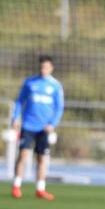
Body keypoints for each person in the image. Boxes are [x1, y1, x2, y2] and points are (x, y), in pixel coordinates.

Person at [11, 55, 64, 200]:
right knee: (23, 155)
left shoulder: (55, 86)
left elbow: (59, 108)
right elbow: (20, 101)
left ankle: (40, 188)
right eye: (41, 67)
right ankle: (16, 186)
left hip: (44, 128)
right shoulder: (30, 83)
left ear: (51, 68)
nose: (43, 70)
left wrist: (52, 124)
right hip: (28, 125)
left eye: (46, 67)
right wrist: (16, 118)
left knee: (42, 158)